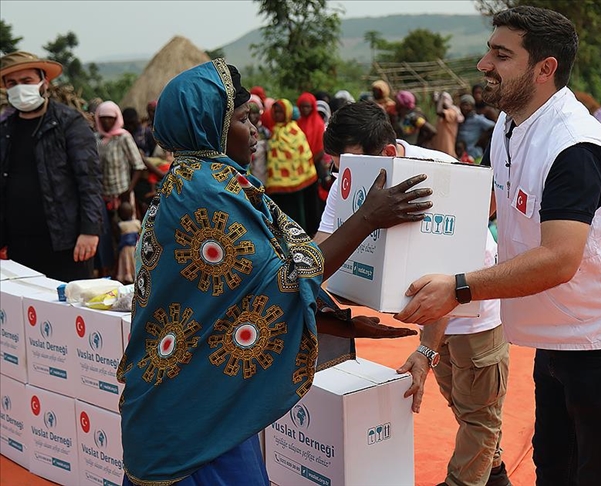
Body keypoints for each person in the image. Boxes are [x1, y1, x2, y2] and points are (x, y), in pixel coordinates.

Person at [118, 59, 432, 486]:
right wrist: (368, 217)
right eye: (246, 119)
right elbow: (287, 275)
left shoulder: (195, 181)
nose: (258, 130)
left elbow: (238, 297)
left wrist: (327, 320)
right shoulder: (207, 192)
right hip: (193, 414)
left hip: (195, 396)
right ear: (211, 124)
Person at [393, 7, 601, 485]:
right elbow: (481, 214)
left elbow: (559, 258)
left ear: (545, 69)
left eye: (502, 54)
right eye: (489, 50)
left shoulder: (574, 146)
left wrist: (458, 288)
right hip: (557, 330)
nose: (484, 64)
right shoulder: (508, 127)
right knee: (554, 465)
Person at [316, 100, 512, 486]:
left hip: (469, 306)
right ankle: (495, 474)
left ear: (387, 154)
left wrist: (426, 350)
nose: (342, 174)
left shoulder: (436, 178)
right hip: (427, 308)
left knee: (478, 415)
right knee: (462, 402)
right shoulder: (350, 175)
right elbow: (324, 242)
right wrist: (293, 278)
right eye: (338, 164)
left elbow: (444, 282)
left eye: (350, 162)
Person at [0, 51, 102, 281]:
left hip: (66, 243)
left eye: (26, 81)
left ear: (44, 82)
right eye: (12, 83)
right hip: (18, 246)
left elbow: (89, 180)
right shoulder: (5, 129)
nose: (19, 88)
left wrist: (89, 231)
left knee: (70, 310)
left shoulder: (69, 123)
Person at [265, 98, 320, 234]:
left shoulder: (294, 131)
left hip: (297, 180)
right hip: (278, 182)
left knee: (298, 212)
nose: (277, 115)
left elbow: (302, 154)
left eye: (280, 112)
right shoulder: (274, 132)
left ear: (288, 113)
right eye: (275, 112)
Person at [458, 94, 497, 162]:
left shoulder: (478, 119)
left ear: (472, 107)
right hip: (463, 156)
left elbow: (493, 126)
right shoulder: (461, 120)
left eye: (467, 105)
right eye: (462, 105)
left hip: (475, 155)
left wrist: (482, 138)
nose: (464, 107)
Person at [430, 91, 463, 157]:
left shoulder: (452, 112)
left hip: (448, 150)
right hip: (439, 149)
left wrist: (441, 98)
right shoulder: (442, 116)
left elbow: (438, 111)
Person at [115, 201, 140, 284]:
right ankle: (135, 276)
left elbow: (118, 237)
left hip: (125, 249)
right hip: (135, 247)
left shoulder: (121, 225)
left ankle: (127, 276)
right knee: (135, 262)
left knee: (126, 262)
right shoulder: (137, 223)